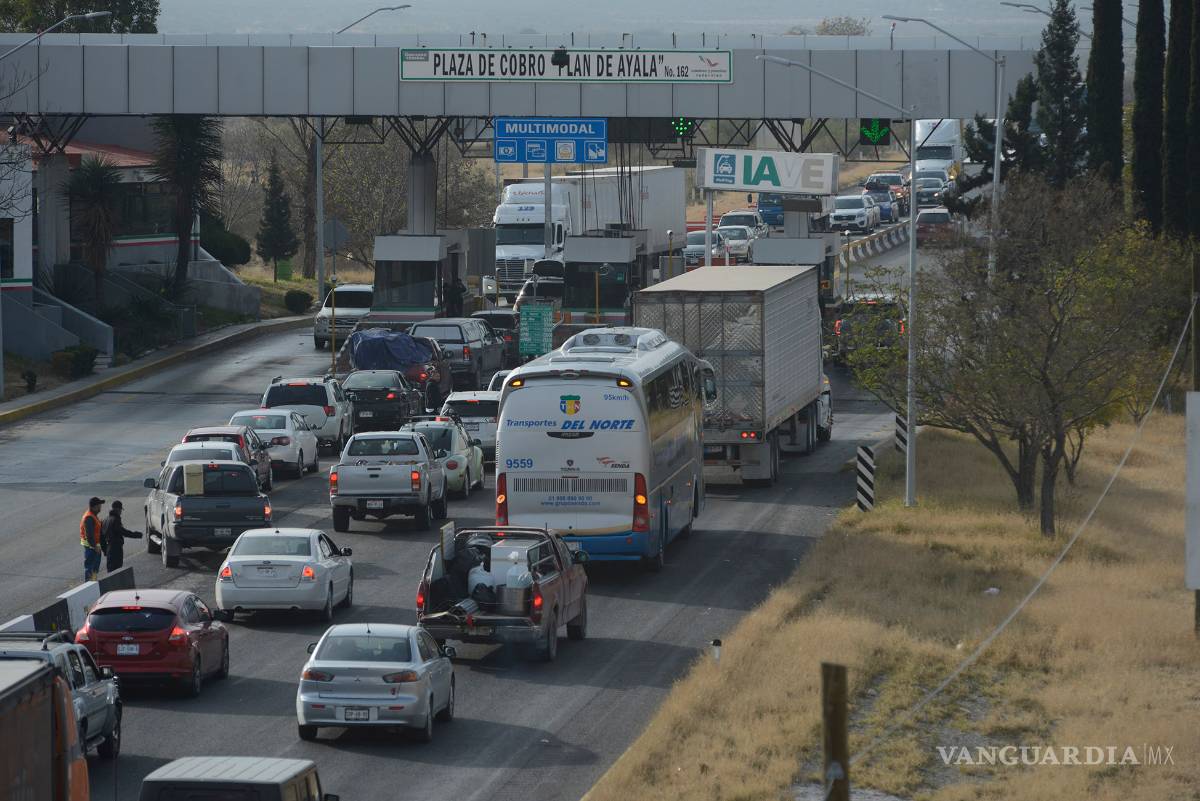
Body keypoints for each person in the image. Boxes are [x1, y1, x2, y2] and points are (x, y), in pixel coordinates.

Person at [100, 500, 142, 573]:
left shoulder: (105, 520)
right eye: (120, 510)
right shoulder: (115, 520)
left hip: (109, 548)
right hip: (116, 549)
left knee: (110, 572)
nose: (121, 512)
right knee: (117, 571)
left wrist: (105, 550)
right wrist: (136, 535)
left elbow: (101, 538)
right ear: (117, 509)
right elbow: (122, 532)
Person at [80, 497, 104, 582]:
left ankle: (93, 584)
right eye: (99, 505)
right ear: (94, 506)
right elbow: (89, 535)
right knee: (90, 569)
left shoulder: (93, 516)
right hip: (91, 548)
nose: (101, 507)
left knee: (94, 569)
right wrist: (94, 546)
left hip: (94, 547)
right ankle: (89, 586)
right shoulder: (89, 518)